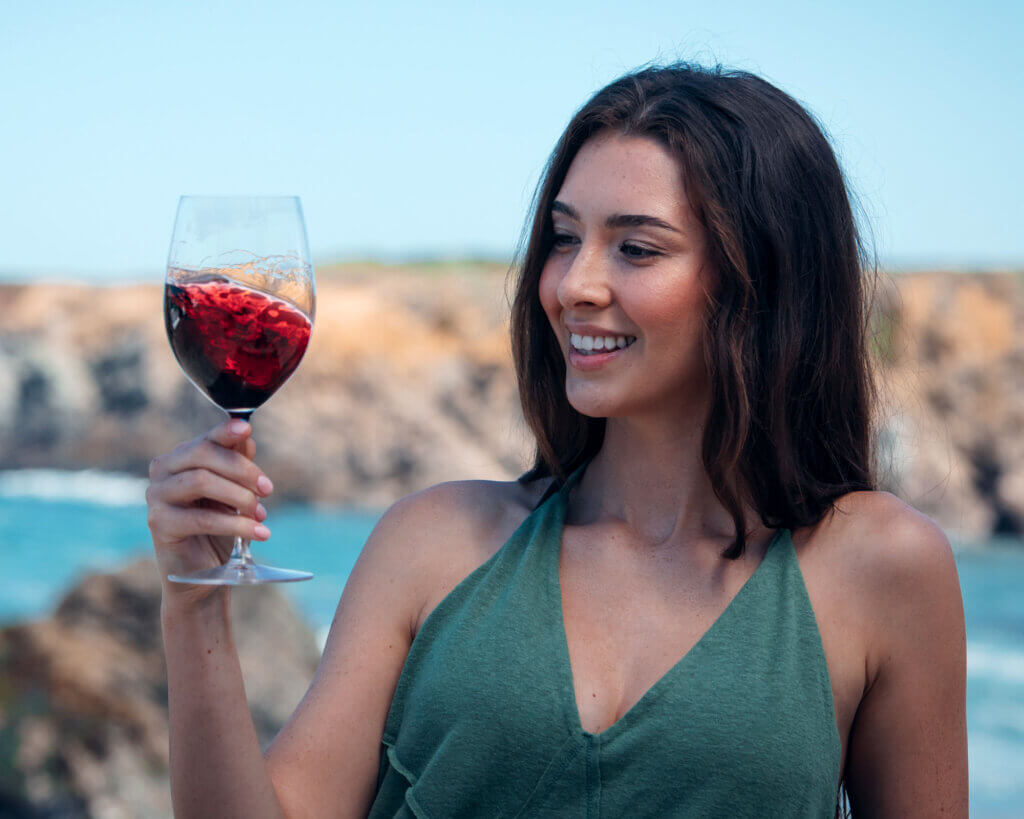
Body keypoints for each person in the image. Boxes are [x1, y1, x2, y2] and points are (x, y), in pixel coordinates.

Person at [146, 62, 968, 818]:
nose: (573, 285)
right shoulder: (432, 544)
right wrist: (194, 603)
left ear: (764, 282)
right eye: (566, 236)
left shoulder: (885, 569)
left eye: (636, 248)